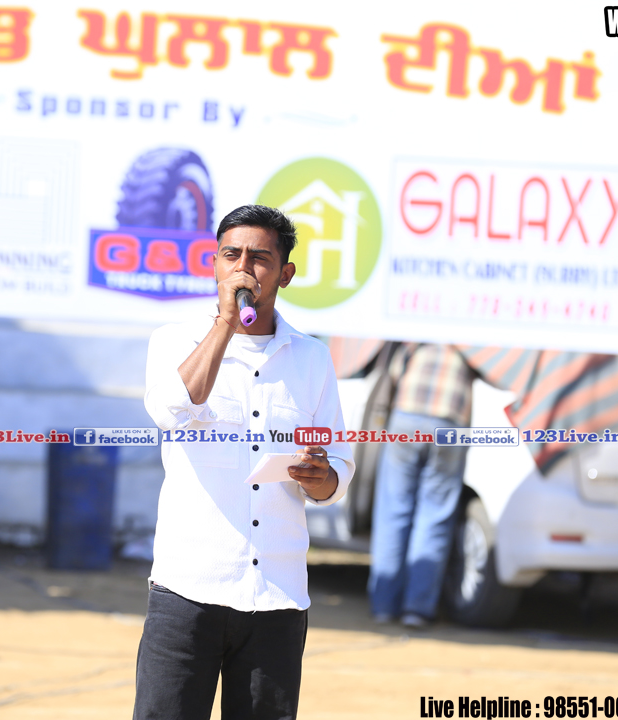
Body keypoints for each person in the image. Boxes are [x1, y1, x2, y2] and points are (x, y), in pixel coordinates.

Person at [136, 205, 354, 720]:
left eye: (259, 258)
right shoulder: (174, 340)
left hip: (277, 598)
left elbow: (338, 470)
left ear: (285, 274)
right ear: (213, 263)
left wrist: (322, 478)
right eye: (230, 255)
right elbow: (169, 410)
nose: (242, 268)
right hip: (187, 591)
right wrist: (225, 325)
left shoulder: (311, 359)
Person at [367, 343, 475, 628]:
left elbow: (393, 372)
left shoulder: (419, 330)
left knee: (393, 512)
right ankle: (417, 609)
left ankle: (383, 606)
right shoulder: (473, 338)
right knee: (434, 516)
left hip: (407, 414)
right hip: (450, 420)